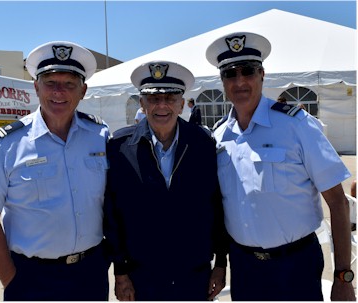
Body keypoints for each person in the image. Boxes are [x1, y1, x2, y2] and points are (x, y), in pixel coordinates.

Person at [206, 32, 355, 301]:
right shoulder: (218, 137)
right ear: (222, 82)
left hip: (296, 266)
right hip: (245, 267)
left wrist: (343, 275)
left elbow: (338, 202)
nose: (240, 81)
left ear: (262, 74)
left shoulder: (296, 125)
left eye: (247, 71)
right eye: (230, 74)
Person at [0, 41, 110, 301]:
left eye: (69, 84)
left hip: (91, 274)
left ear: (83, 90)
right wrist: (11, 279)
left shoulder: (99, 136)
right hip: (30, 278)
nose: (58, 92)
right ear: (36, 87)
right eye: (50, 83)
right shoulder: (7, 143)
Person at [103, 60, 228, 301]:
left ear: (182, 104)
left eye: (170, 98)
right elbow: (112, 213)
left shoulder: (203, 144)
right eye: (153, 98)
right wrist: (120, 271)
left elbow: (217, 206)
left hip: (194, 275)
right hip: (142, 277)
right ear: (142, 104)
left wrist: (221, 262)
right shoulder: (120, 147)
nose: (162, 105)